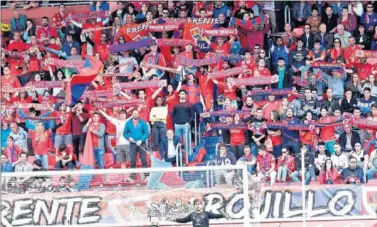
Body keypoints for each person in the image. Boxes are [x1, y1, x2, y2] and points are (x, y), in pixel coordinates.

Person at [124, 109, 150, 183]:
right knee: (132, 161)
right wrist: (129, 138)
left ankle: (147, 176)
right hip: (132, 144)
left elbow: (147, 133)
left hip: (142, 143)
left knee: (144, 160)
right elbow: (125, 133)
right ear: (132, 114)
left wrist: (141, 140)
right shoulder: (128, 123)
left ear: (138, 114)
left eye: (137, 113)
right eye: (134, 113)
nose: (136, 114)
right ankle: (132, 177)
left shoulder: (143, 123)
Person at [172, 90, 195, 156]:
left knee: (187, 141)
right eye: (181, 94)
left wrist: (188, 123)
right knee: (177, 141)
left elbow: (192, 115)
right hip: (177, 125)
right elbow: (173, 115)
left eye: (184, 94)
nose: (182, 95)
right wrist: (175, 123)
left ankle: (188, 155)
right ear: (179, 95)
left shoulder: (189, 104)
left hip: (186, 125)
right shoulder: (176, 104)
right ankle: (178, 155)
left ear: (185, 95)